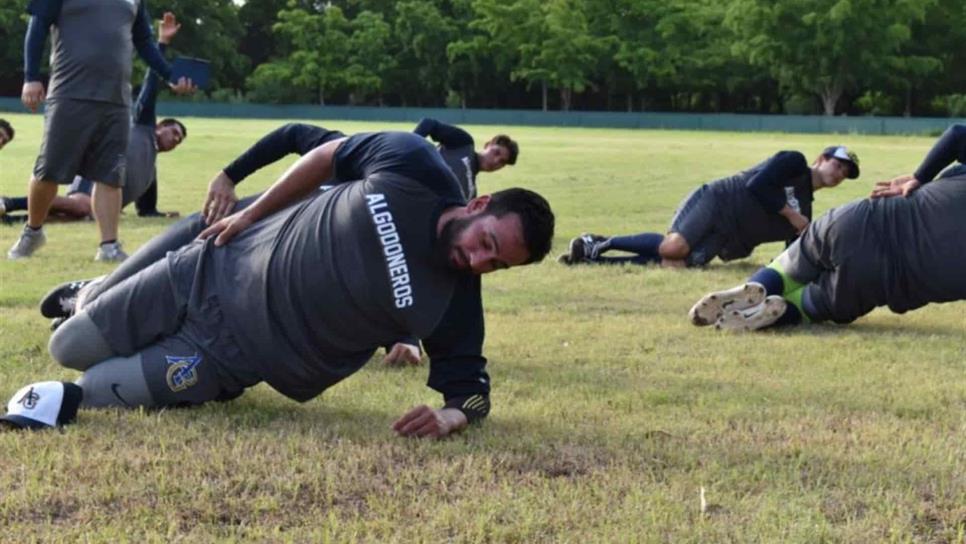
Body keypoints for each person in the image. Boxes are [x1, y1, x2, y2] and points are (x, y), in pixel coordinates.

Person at [23, 131, 554, 439]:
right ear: (479, 204)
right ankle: (94, 292)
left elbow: (474, 393)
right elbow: (324, 155)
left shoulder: (454, 303)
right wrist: (250, 216)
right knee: (68, 345)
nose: (479, 262)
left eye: (497, 265)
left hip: (229, 355)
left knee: (94, 386)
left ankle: (107, 306)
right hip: (208, 270)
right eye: (487, 243)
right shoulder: (414, 164)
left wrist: (450, 414)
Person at [689, 125, 966, 331]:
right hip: (882, 278)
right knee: (815, 303)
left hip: (860, 221)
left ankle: (757, 287)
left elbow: (956, 134)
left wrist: (918, 179)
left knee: (792, 264)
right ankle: (769, 314)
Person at [7, 3, 191, 262]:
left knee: (111, 176)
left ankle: (109, 246)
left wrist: (170, 75)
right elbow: (36, 26)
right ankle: (33, 232)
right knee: (48, 171)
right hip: (70, 94)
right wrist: (31, 77)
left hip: (116, 102)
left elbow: (144, 43)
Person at [559, 146, 860, 267]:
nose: (839, 173)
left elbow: (791, 253)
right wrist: (790, 214)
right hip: (718, 200)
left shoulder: (806, 211)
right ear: (821, 159)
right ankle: (598, 243)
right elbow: (756, 185)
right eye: (838, 164)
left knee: (677, 265)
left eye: (845, 173)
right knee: (672, 248)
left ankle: (594, 261)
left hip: (729, 234)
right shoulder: (793, 162)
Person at [413, 118, 519, 200]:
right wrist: (406, 149)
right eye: (497, 153)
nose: (496, 161)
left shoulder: (470, 194)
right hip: (407, 181)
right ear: (488, 144)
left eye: (502, 162)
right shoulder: (464, 143)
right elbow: (429, 124)